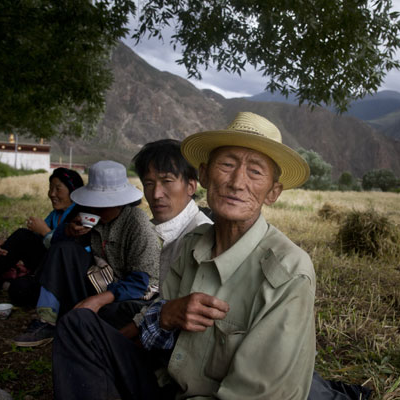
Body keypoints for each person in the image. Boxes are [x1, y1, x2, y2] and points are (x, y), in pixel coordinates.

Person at [52, 112, 317, 399]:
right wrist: (165, 316)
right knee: (77, 325)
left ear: (273, 192)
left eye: (255, 171)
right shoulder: (193, 244)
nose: (237, 182)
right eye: (227, 165)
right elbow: (156, 320)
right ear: (203, 174)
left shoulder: (289, 273)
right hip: (165, 381)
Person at [13, 160, 161, 347]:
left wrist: (98, 300)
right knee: (63, 249)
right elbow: (57, 250)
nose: (94, 208)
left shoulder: (136, 223)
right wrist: (68, 231)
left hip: (133, 295)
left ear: (120, 202)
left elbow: (141, 282)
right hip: (101, 282)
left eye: (102, 204)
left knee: (118, 314)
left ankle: (86, 325)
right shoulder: (93, 218)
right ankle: (46, 322)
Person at [98, 139, 212, 329]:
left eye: (167, 181)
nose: (156, 194)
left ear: (191, 186)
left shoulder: (201, 235)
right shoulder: (146, 228)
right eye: (149, 183)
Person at [0, 168, 83, 302]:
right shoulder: (55, 215)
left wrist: (45, 232)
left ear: (73, 191)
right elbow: (31, 241)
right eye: (50, 188)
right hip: (47, 267)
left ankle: (2, 284)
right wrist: (7, 245)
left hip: (63, 274)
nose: (52, 194)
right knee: (23, 236)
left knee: (19, 289)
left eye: (58, 189)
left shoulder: (80, 216)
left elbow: (68, 253)